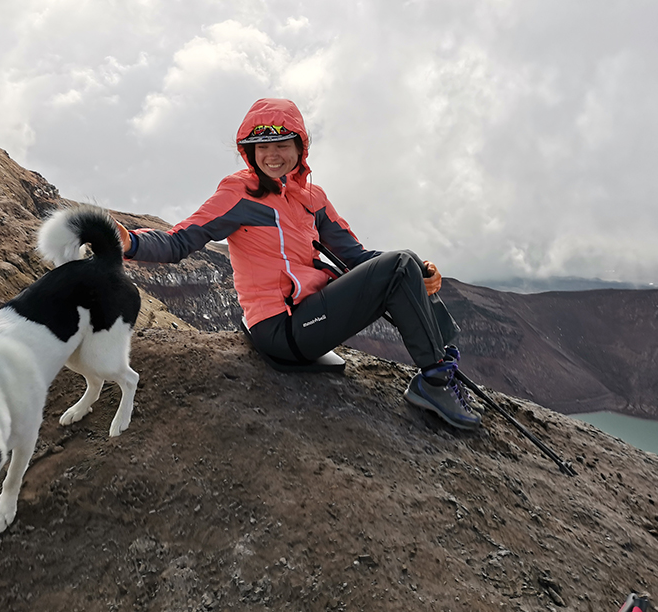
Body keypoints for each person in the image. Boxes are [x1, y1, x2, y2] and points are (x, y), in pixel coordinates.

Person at [116, 98, 480, 429]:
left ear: (299, 148)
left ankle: (441, 361)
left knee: (408, 263)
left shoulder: (312, 196)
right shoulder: (237, 193)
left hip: (308, 313)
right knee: (400, 264)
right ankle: (433, 381)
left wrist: (419, 271)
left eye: (282, 145)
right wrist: (130, 242)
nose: (272, 156)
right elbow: (181, 239)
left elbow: (356, 256)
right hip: (282, 329)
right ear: (249, 151)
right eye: (262, 147)